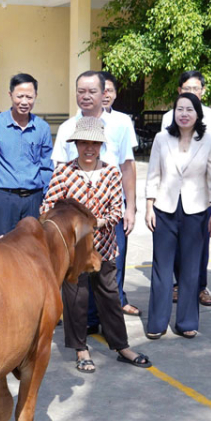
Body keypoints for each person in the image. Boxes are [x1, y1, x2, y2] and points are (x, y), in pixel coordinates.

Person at [40, 116, 151, 373]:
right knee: (76, 301)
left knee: (111, 298)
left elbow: (116, 211)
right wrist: (70, 226)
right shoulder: (65, 172)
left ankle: (121, 346)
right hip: (73, 252)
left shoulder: (111, 172)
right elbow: (46, 208)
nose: (88, 149)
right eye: (83, 143)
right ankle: (81, 349)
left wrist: (89, 223)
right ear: (75, 144)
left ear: (101, 145)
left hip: (104, 247)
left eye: (94, 144)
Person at [145, 92, 211, 339]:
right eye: (180, 109)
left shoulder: (208, 141)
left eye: (189, 109)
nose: (184, 114)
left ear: (198, 113)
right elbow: (153, 174)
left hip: (196, 211)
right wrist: (149, 207)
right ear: (173, 113)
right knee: (161, 268)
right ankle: (157, 322)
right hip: (164, 209)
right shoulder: (161, 138)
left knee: (190, 269)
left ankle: (187, 322)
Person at [163, 71, 211, 308]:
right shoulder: (169, 116)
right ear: (179, 91)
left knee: (201, 241)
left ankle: (200, 286)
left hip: (202, 191)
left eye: (195, 88)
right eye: (186, 88)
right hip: (173, 191)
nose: (191, 92)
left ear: (203, 91)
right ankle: (178, 284)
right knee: (177, 242)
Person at [0, 73, 54, 237]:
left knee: (33, 249)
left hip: (34, 199)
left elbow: (46, 167)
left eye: (29, 97)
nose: (24, 102)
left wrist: (47, 200)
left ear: (35, 97)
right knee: (3, 250)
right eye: (19, 96)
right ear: (10, 95)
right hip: (4, 199)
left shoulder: (42, 128)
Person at [97, 71, 139, 316]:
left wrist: (130, 206)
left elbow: (128, 164)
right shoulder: (79, 120)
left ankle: (119, 301)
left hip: (116, 201)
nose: (106, 95)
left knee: (118, 256)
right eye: (101, 90)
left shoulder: (123, 121)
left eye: (109, 90)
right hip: (89, 201)